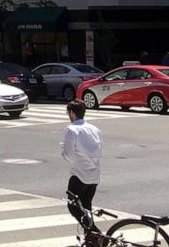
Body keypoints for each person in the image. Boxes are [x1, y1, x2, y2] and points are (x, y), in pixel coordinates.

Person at [62, 99, 103, 238]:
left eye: (68, 113)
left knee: (73, 207)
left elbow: (69, 156)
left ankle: (96, 234)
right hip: (94, 175)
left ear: (72, 113)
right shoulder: (95, 129)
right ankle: (91, 239)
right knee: (86, 207)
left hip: (79, 175)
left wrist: (63, 150)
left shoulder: (71, 129)